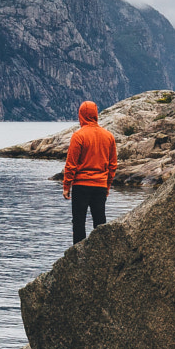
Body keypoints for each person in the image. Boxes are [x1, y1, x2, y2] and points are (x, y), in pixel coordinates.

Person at [61, 100, 117, 244]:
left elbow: (71, 164)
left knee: (79, 221)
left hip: (81, 186)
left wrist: (67, 186)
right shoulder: (108, 136)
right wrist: (108, 185)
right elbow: (113, 165)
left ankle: (78, 253)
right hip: (100, 185)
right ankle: (102, 251)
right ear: (96, 114)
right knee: (100, 222)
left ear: (81, 115)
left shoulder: (78, 136)